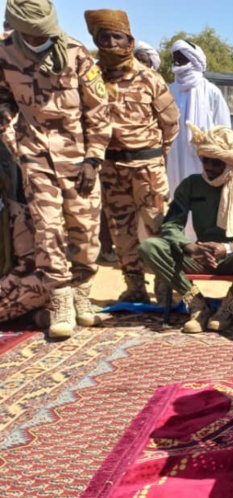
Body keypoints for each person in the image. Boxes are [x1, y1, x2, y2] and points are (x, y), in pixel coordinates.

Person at [0, 0, 111, 339]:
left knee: (85, 227)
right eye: (31, 37)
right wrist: (11, 135)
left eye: (43, 36)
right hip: (33, 153)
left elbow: (99, 108)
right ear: (18, 29)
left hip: (78, 157)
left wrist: (93, 158)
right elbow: (2, 97)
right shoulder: (4, 52)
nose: (38, 42)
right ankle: (61, 299)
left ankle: (81, 297)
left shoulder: (76, 53)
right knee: (49, 226)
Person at [84, 9, 179, 304]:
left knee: (157, 226)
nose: (112, 43)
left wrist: (155, 154)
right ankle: (134, 285)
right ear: (96, 39)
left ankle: (164, 285)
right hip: (111, 167)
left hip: (147, 166)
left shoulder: (149, 78)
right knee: (120, 229)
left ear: (130, 39)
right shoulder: (91, 77)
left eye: (118, 36)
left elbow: (171, 122)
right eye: (104, 37)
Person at [138, 124, 233, 334]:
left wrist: (227, 248)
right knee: (149, 246)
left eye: (215, 162)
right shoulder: (191, 184)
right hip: (200, 256)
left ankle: (229, 306)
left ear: (228, 162)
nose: (208, 166)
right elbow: (171, 225)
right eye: (204, 159)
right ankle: (197, 304)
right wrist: (189, 246)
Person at [166, 40, 231, 201]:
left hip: (205, 160)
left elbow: (224, 129)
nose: (177, 63)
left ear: (193, 59)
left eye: (181, 59)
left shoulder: (211, 91)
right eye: (175, 59)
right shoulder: (169, 90)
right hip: (175, 156)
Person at [0, 141, 48, 323]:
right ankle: (27, 317)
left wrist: (3, 287)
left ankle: (21, 316)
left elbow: (27, 264)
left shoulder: (15, 213)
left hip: (8, 287)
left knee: (43, 285)